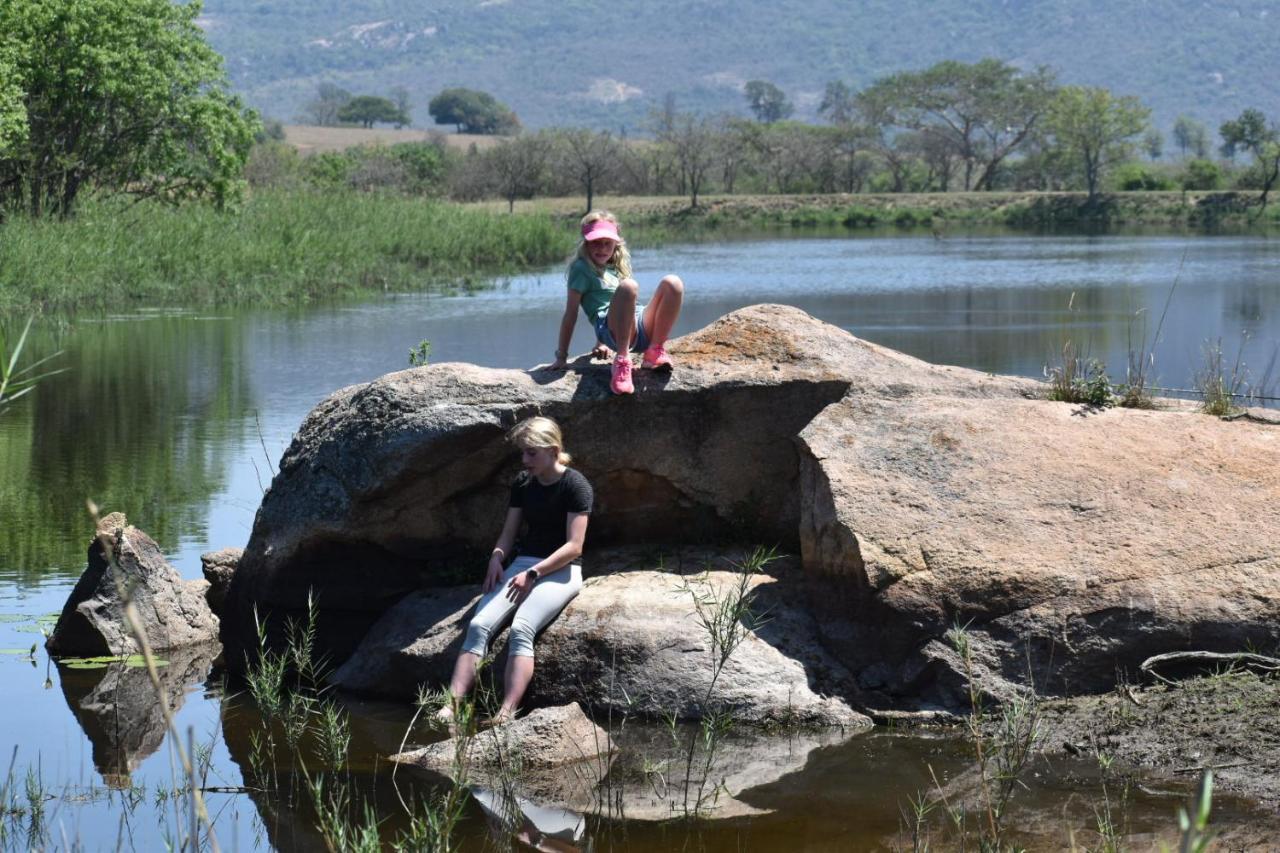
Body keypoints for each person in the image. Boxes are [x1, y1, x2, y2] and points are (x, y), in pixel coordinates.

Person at [438, 416, 591, 726]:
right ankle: (451, 707)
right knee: (479, 624)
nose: (525, 460)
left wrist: (533, 574)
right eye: (523, 452)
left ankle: (505, 714)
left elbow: (575, 546)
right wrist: (497, 558)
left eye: (531, 453)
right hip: (523, 564)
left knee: (522, 628)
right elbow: (509, 533)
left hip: (561, 569)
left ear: (553, 450)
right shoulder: (523, 483)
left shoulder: (575, 485)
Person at [549, 210, 684, 395]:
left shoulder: (616, 266)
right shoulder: (581, 268)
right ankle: (622, 361)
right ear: (586, 243)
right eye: (596, 242)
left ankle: (654, 350)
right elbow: (571, 314)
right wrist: (561, 357)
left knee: (672, 283)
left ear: (615, 243)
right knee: (628, 287)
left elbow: (622, 308)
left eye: (607, 243)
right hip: (610, 330)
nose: (602, 248)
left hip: (637, 325)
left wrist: (599, 344)